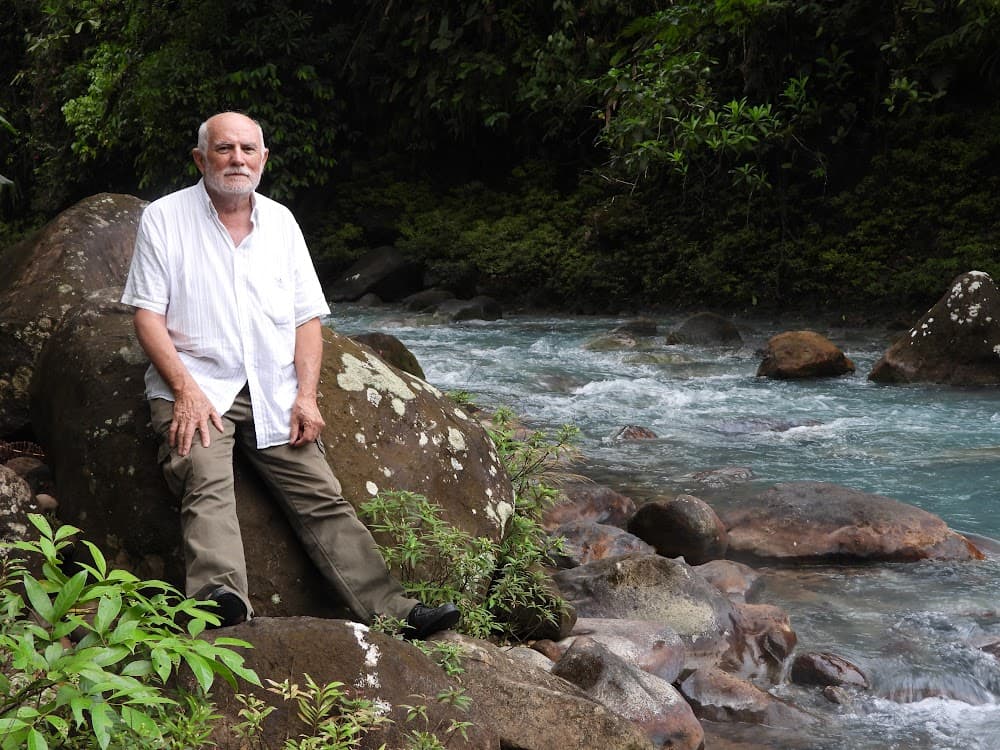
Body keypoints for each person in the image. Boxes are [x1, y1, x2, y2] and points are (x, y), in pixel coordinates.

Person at [120, 111, 459, 638]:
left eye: (247, 150)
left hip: (271, 387)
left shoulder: (281, 222)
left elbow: (306, 320)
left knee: (321, 494)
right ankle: (219, 601)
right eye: (225, 149)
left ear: (263, 159)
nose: (237, 160)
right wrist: (184, 390)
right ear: (200, 159)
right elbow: (147, 316)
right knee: (204, 477)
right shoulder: (164, 218)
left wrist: (306, 396)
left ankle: (394, 610)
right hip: (197, 383)